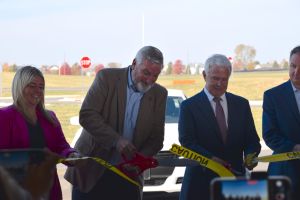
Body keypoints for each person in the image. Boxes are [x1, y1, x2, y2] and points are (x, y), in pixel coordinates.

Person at [64, 46, 168, 200]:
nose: (150, 80)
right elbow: (87, 115)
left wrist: (140, 161)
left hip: (128, 176)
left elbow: (156, 138)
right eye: (146, 72)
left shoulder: (160, 94)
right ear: (134, 63)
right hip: (92, 173)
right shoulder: (106, 78)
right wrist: (116, 141)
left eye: (155, 75)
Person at [178, 54, 261, 200]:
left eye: (224, 80)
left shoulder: (241, 105)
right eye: (215, 78)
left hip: (234, 182)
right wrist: (210, 160)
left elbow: (252, 140)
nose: (219, 84)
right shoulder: (188, 107)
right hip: (200, 184)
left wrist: (250, 155)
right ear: (204, 75)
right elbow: (187, 142)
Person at [0, 66, 78, 200]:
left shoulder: (50, 117)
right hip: (16, 190)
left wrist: (71, 154)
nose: (38, 91)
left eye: (41, 87)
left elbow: (61, 146)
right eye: (32, 86)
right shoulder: (4, 116)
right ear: (20, 86)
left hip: (48, 189)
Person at [262, 46, 300, 199]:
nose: (296, 72)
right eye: (293, 66)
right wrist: (295, 148)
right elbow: (270, 135)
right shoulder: (273, 96)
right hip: (284, 173)